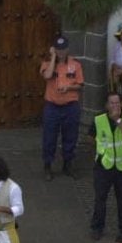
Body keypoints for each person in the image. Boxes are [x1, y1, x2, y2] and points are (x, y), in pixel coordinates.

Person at [88, 93, 122, 239]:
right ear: (107, 105)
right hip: (104, 165)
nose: (115, 106)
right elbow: (90, 137)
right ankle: (97, 227)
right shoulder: (99, 119)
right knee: (100, 198)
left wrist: (118, 120)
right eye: (112, 103)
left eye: (117, 103)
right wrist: (101, 151)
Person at [40, 34, 85, 179]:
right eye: (58, 49)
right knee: (49, 137)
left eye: (63, 49)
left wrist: (69, 88)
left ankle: (68, 164)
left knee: (70, 136)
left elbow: (80, 84)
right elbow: (47, 76)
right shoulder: (47, 63)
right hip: (52, 107)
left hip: (70, 106)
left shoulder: (75, 64)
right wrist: (53, 57)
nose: (61, 52)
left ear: (68, 49)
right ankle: (48, 165)